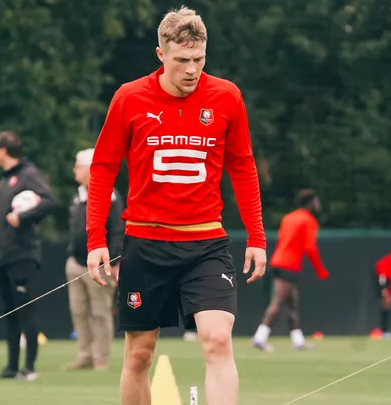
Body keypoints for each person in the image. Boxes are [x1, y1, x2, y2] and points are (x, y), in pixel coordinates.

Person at [84, 7, 267, 405]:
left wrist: (257, 236)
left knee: (218, 340)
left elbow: (243, 166)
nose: (191, 70)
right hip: (145, 246)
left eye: (199, 59)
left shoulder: (227, 96)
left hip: (207, 246)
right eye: (182, 60)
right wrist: (96, 239)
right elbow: (102, 168)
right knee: (139, 354)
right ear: (160, 54)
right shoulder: (129, 97)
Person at [0, 131, 59, 381]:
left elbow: (49, 201)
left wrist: (23, 217)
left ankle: (29, 367)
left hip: (22, 255)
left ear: (3, 151)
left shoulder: (28, 174)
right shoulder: (4, 181)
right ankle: (12, 366)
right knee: (9, 313)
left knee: (26, 310)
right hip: (4, 255)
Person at [63, 148, 124, 371]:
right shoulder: (78, 195)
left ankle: (101, 358)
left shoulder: (110, 195)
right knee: (78, 311)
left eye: (78, 166)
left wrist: (114, 262)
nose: (74, 170)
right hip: (76, 262)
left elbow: (118, 231)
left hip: (100, 265)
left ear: (91, 169)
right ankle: (84, 355)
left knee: (100, 312)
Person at [251, 189, 329, 352]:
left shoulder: (288, 217)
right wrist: (320, 270)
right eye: (316, 201)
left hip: (277, 262)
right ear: (310, 203)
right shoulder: (308, 221)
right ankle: (260, 337)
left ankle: (298, 340)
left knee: (292, 303)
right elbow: (310, 248)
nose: (318, 205)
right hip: (289, 265)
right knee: (277, 302)